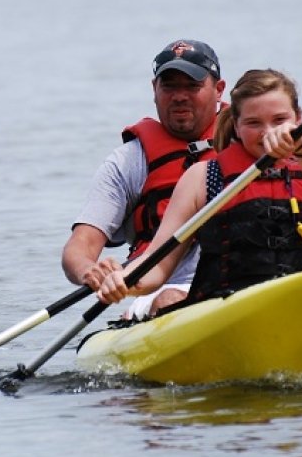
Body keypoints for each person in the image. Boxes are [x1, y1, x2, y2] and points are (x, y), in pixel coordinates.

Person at [96, 68, 302, 309]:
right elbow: (158, 264)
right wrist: (124, 280)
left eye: (280, 120)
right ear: (237, 126)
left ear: (298, 118)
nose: (268, 132)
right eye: (253, 123)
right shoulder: (202, 177)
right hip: (228, 307)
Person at [62, 39, 226, 317]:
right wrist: (90, 270)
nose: (179, 96)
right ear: (154, 90)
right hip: (161, 292)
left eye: (192, 86)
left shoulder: (246, 140)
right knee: (171, 299)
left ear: (219, 90)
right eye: (169, 86)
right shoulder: (128, 161)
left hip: (239, 282)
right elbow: (81, 245)